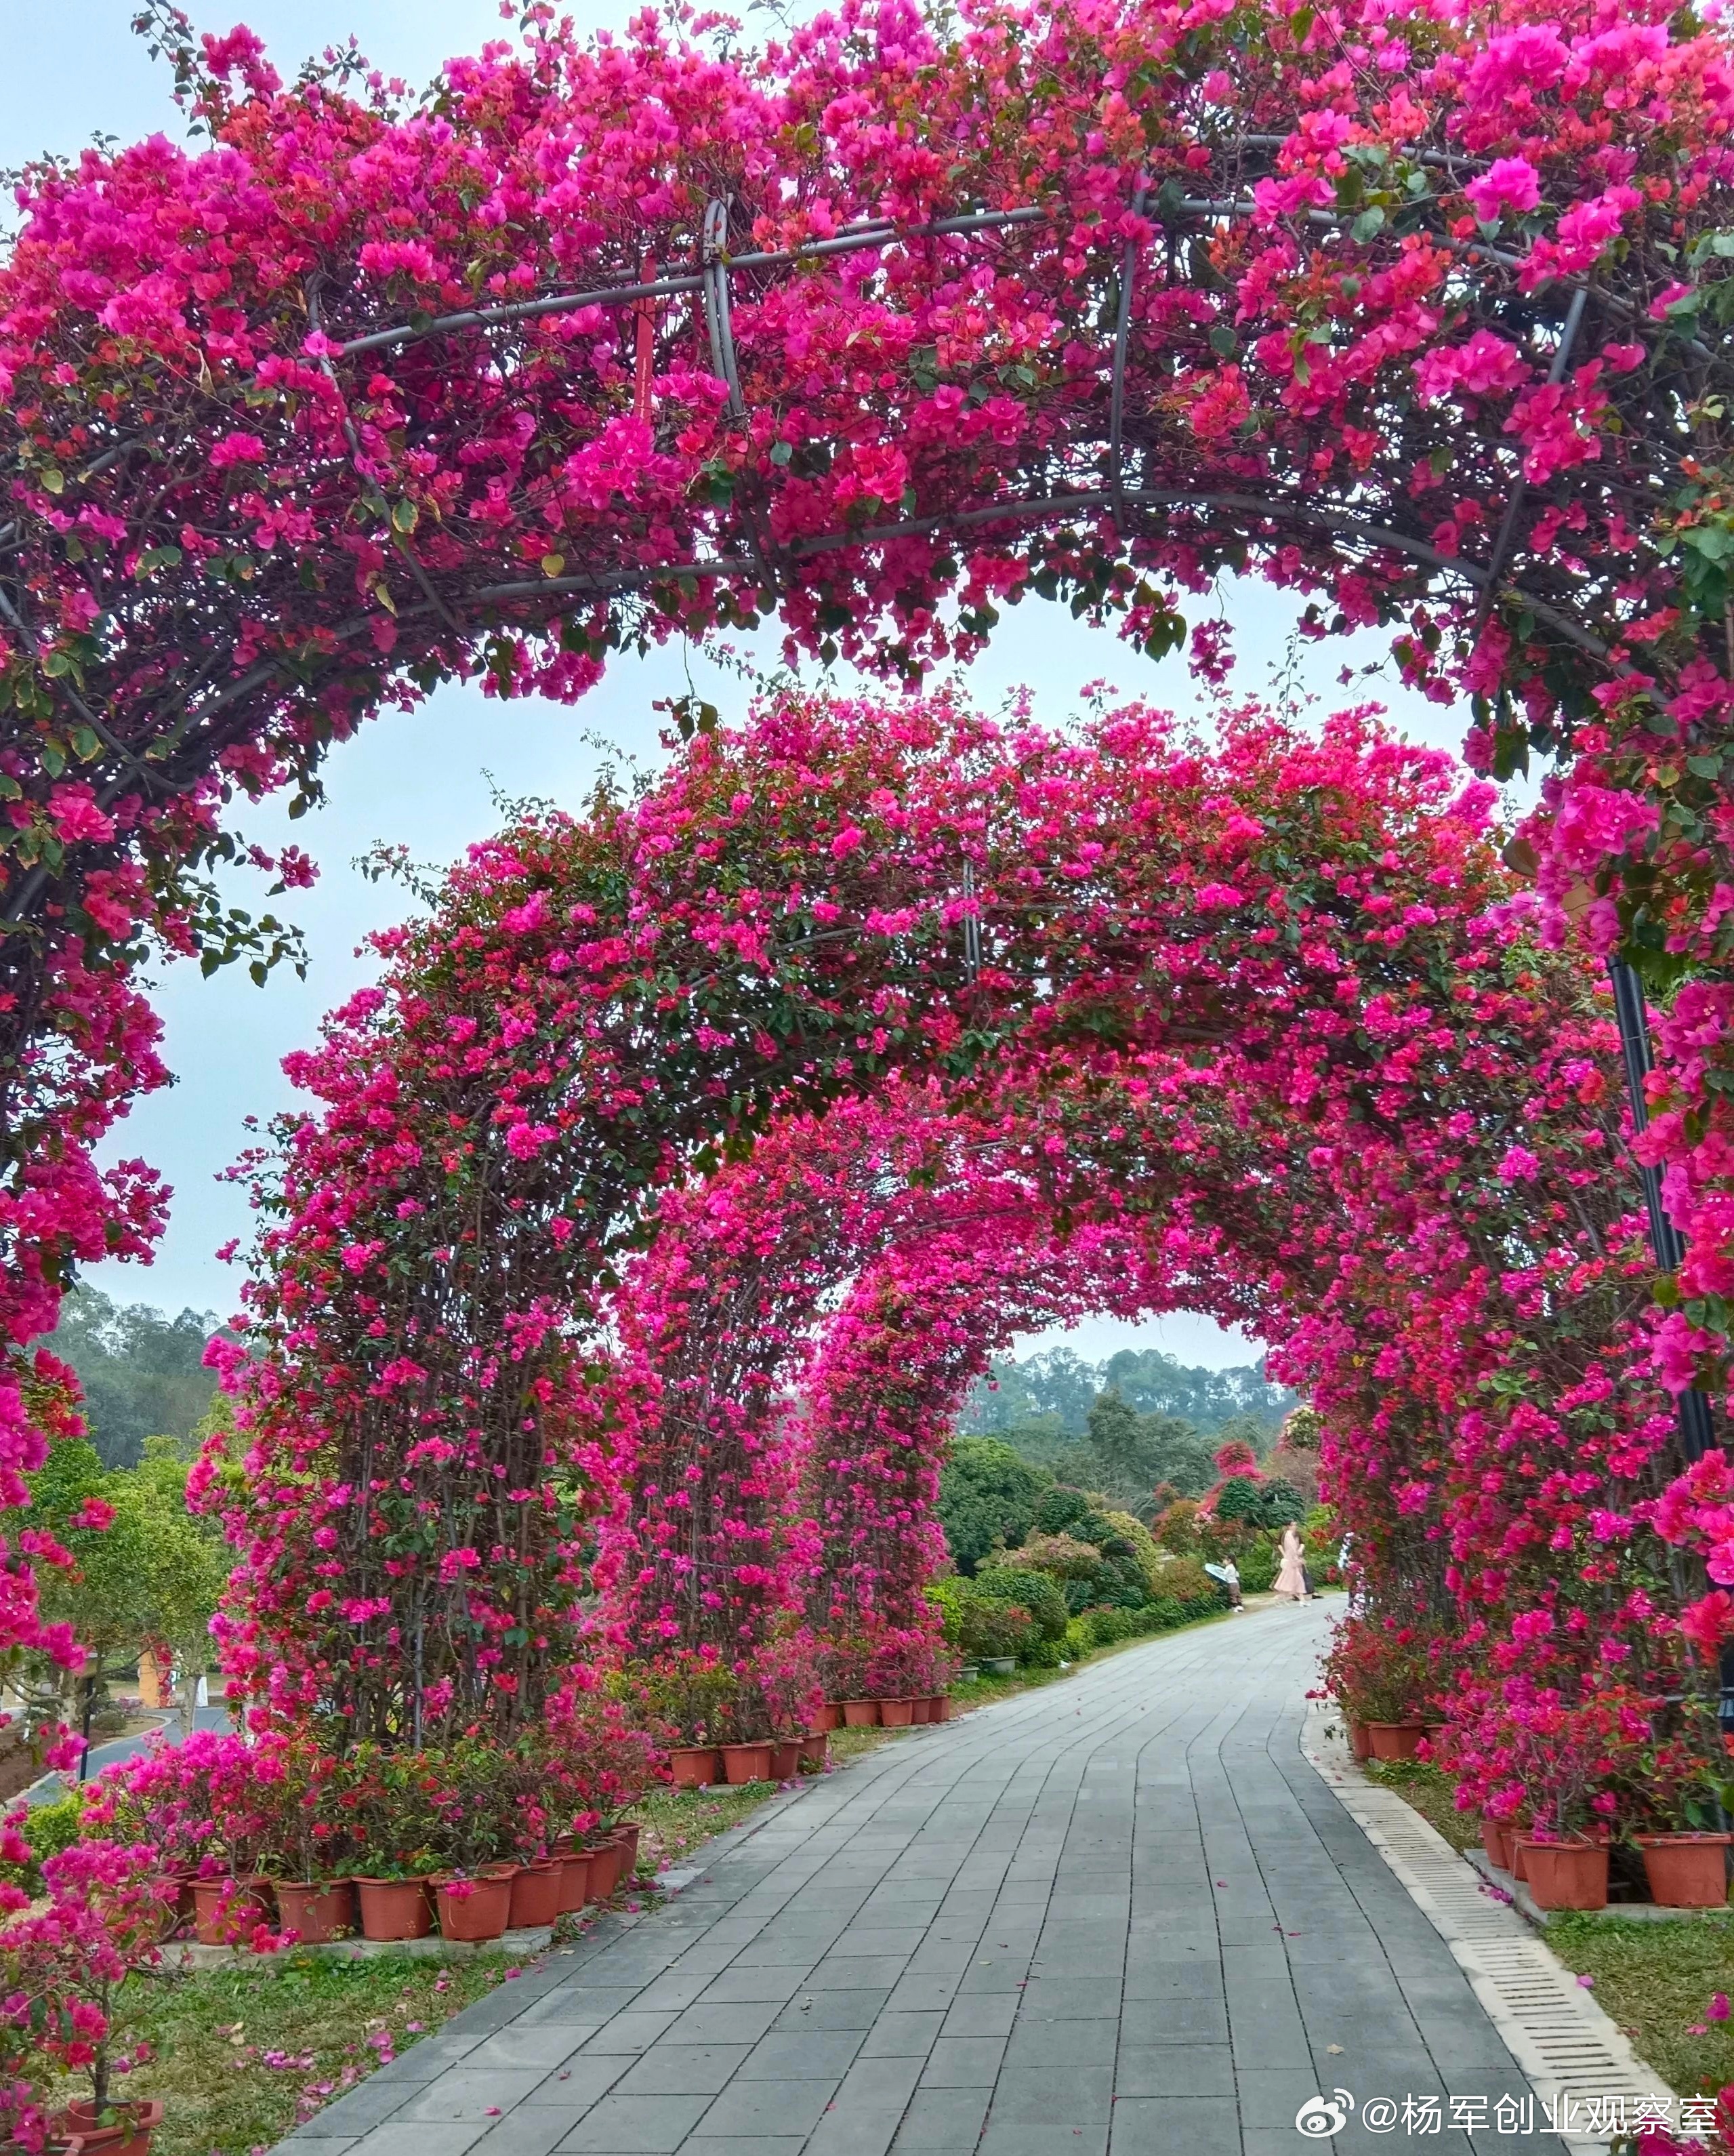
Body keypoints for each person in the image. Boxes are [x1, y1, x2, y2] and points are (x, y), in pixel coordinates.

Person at [1273, 1520, 1308, 1602]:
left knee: (1295, 1577)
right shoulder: (1286, 1535)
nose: (1295, 1527)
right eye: (1293, 1525)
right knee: (1290, 1577)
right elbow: (1280, 1545)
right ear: (1289, 1526)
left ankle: (1299, 1597)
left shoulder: (1297, 1534)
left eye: (1295, 1525)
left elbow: (1302, 1543)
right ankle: (1288, 1595)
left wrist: (1300, 1550)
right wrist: (1284, 1554)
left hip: (1295, 1558)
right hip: (1290, 1559)